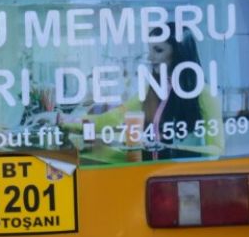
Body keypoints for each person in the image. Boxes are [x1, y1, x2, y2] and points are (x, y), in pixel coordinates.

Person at [60, 27, 223, 161]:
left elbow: (216, 150)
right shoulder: (151, 89)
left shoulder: (205, 94)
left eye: (158, 50)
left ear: (179, 53)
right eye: (150, 50)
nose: (150, 58)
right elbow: (113, 117)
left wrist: (169, 149)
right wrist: (67, 121)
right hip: (152, 169)